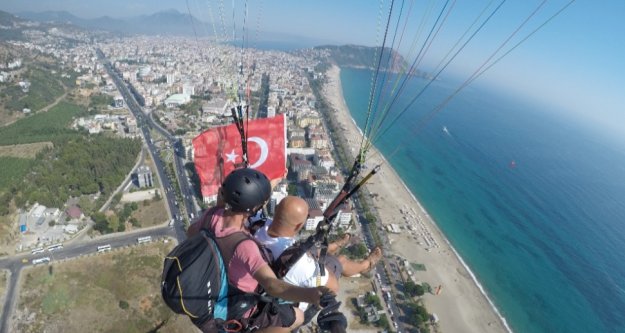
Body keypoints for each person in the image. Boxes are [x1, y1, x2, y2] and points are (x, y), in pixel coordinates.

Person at [187, 169, 330, 333]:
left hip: (212, 289)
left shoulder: (212, 216)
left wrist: (219, 207)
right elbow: (272, 285)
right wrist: (312, 295)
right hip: (239, 309)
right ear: (254, 208)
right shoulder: (245, 246)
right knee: (298, 316)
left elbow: (191, 232)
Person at [254, 196, 383, 312]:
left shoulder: (256, 224)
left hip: (281, 260)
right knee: (340, 260)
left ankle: (336, 245)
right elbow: (333, 287)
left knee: (314, 249)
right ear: (299, 226)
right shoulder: (302, 265)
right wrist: (318, 264)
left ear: (276, 209)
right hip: (291, 295)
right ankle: (365, 265)